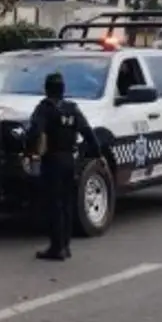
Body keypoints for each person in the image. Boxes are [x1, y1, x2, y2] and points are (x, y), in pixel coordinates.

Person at [26, 72, 101, 262]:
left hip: (52, 161)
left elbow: (35, 131)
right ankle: (65, 246)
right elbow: (89, 133)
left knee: (54, 205)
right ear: (63, 89)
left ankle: (56, 247)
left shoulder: (45, 108)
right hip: (70, 160)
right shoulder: (72, 108)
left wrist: (28, 151)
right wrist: (95, 154)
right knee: (67, 204)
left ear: (46, 88)